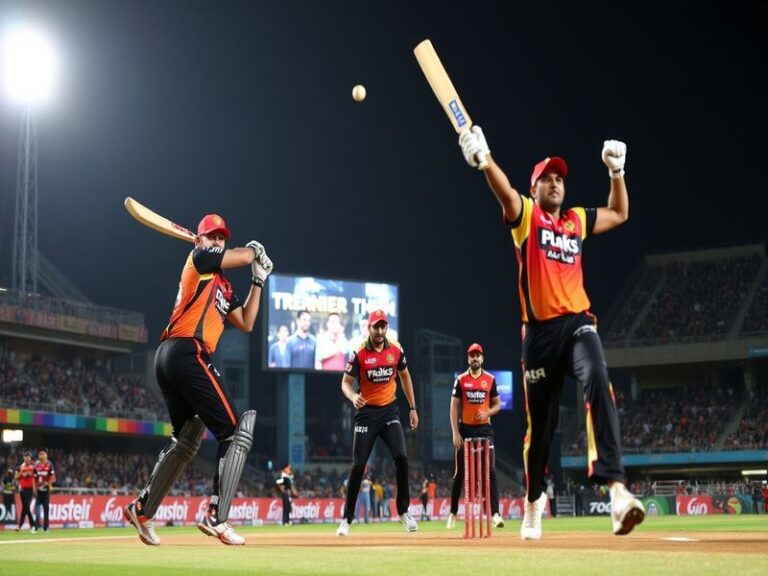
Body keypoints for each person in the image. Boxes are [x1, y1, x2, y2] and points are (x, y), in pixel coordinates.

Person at [458, 127, 645, 539]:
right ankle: (532, 502)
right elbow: (505, 194)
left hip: (578, 323)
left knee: (598, 376)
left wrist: (617, 173)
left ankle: (617, 492)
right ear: (535, 187)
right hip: (540, 338)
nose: (556, 183)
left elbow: (619, 213)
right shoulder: (526, 217)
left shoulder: (576, 220)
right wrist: (485, 160)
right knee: (539, 430)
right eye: (547, 178)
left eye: (560, 178)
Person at [123, 213, 273, 546]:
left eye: (222, 237)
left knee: (187, 439)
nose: (218, 241)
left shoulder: (223, 283)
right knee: (236, 431)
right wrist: (253, 253)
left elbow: (246, 321)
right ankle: (217, 516)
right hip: (186, 350)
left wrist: (258, 280)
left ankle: (143, 510)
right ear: (201, 239)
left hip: (170, 356)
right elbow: (240, 256)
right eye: (213, 236)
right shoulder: (200, 257)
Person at [336, 309, 419, 536]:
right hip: (366, 413)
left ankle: (403, 512)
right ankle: (347, 519)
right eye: (376, 327)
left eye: (383, 326)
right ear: (369, 327)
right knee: (358, 466)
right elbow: (345, 383)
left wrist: (412, 408)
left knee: (401, 457)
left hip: (390, 411)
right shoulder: (360, 352)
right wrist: (353, 396)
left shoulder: (396, 349)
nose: (380, 331)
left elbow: (405, 376)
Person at [446, 343, 504, 530]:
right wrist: (455, 432)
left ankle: (495, 514)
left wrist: (487, 413)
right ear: (468, 359)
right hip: (465, 430)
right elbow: (453, 407)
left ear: (482, 358)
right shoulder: (461, 380)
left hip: (485, 429)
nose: (475, 358)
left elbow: (497, 405)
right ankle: (453, 513)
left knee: (490, 472)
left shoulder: (490, 379)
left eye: (478, 355)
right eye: (472, 355)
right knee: (460, 474)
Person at [33, 448, 56, 533]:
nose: (41, 456)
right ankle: (36, 527)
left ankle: (46, 528)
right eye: (40, 454)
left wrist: (47, 483)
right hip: (39, 490)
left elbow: (54, 478)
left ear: (46, 455)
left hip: (46, 490)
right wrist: (35, 488)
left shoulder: (50, 464)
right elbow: (34, 478)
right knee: (37, 509)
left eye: (42, 454)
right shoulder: (36, 465)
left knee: (46, 508)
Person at [15, 451, 35, 532]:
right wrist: (22, 474)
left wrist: (30, 474)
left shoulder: (33, 467)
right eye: (25, 458)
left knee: (26, 506)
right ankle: (32, 525)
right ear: (24, 458)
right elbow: (16, 477)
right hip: (22, 489)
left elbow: (36, 477)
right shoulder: (20, 467)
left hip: (30, 489)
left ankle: (21, 525)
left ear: (30, 459)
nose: (27, 460)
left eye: (28, 458)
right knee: (25, 507)